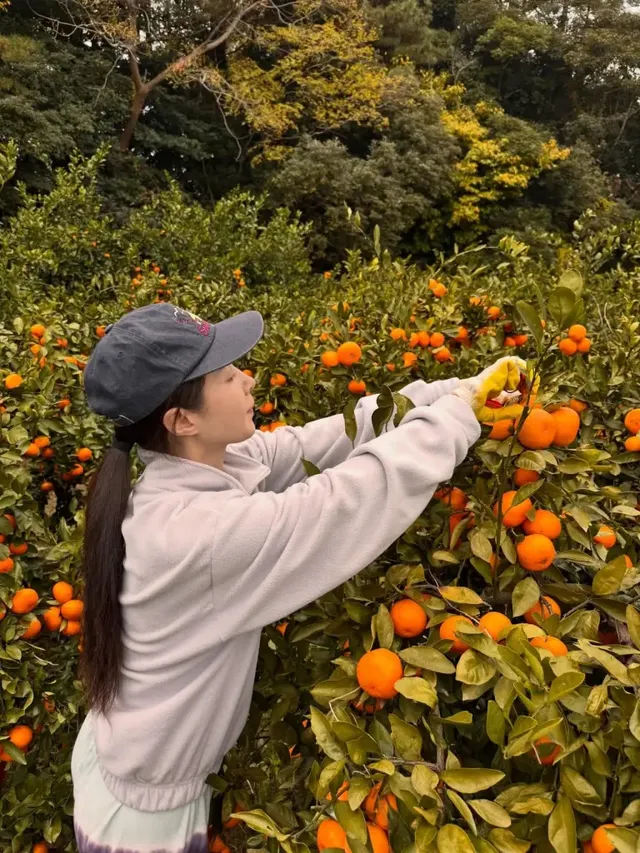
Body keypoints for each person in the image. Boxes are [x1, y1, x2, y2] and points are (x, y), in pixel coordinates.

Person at [72, 302, 525, 853]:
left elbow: (325, 440)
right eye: (226, 375)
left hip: (129, 751)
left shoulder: (210, 463)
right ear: (182, 420)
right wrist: (455, 420)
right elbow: (342, 501)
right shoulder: (196, 535)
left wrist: (460, 390)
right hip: (141, 815)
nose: (248, 378)